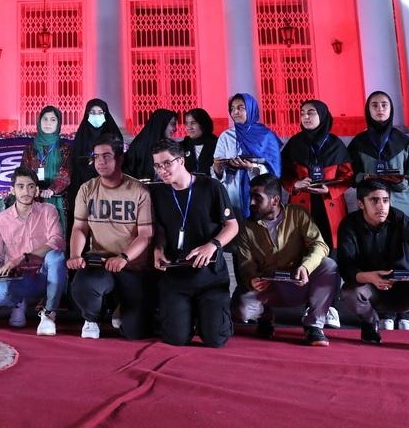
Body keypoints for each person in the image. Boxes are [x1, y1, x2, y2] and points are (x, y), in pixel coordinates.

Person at [338, 180, 409, 353]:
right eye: (374, 200)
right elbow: (346, 268)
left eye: (385, 200)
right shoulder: (349, 225)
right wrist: (371, 277)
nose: (381, 206)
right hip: (372, 292)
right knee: (349, 292)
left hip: (405, 290)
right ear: (361, 204)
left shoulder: (397, 217)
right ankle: (370, 323)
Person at [233, 173, 339, 346]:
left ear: (275, 201)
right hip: (268, 288)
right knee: (242, 310)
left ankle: (314, 326)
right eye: (250, 197)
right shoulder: (246, 227)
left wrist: (306, 267)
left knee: (329, 265)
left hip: (298, 284)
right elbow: (246, 263)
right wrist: (252, 279)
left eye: (257, 198)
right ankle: (265, 318)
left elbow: (320, 245)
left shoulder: (297, 214)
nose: (251, 203)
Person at [150, 140, 238, 348]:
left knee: (215, 339)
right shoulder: (158, 193)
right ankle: (188, 316)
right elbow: (160, 229)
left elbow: (232, 226)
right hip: (176, 276)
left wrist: (212, 245)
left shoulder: (211, 187)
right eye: (157, 166)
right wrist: (158, 249)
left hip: (209, 276)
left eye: (167, 163)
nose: (162, 170)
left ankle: (209, 316)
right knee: (176, 339)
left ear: (181, 160)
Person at [346, 90, 409, 331]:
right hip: (373, 209)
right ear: (368, 110)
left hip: (401, 206)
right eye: (375, 105)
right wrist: (366, 178)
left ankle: (408, 313)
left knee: (405, 259)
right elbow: (351, 175)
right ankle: (385, 310)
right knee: (378, 258)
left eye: (384, 105)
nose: (380, 109)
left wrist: (396, 182)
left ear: (391, 109)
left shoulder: (404, 141)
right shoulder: (359, 143)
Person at [66, 135, 153, 340]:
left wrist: (124, 257)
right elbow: (79, 228)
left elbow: (146, 235)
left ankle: (119, 305)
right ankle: (92, 318)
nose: (100, 162)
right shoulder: (87, 189)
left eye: (106, 156)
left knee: (135, 332)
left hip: (130, 264)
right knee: (82, 285)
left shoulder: (139, 191)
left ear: (120, 158)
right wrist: (75, 255)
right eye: (96, 157)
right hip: (99, 262)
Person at [0, 166, 67, 336]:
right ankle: (18, 303)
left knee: (56, 257)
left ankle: (49, 313)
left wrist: (21, 258)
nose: (26, 191)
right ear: (12, 190)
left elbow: (57, 241)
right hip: (18, 277)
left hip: (43, 275)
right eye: (20, 186)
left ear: (37, 190)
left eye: (30, 186)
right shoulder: (0, 220)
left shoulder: (48, 211)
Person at [280, 99, 353, 250]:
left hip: (329, 204)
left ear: (322, 115)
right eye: (302, 113)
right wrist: (295, 184)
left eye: (311, 113)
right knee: (301, 248)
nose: (305, 117)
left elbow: (348, 176)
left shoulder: (336, 145)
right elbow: (283, 173)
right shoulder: (294, 143)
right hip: (302, 201)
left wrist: (330, 190)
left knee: (331, 248)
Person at [212, 93, 281, 220]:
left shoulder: (266, 136)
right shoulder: (226, 136)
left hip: (260, 191)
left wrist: (252, 167)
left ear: (251, 108)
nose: (235, 112)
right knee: (235, 225)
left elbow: (275, 170)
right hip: (232, 191)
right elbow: (217, 172)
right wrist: (217, 169)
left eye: (241, 108)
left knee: (259, 226)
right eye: (232, 108)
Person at [20, 105, 72, 229]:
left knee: (56, 233)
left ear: (58, 123)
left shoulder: (64, 148)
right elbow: (24, 172)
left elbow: (66, 173)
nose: (48, 123)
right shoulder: (30, 148)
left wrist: (52, 189)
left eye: (53, 120)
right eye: (45, 119)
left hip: (57, 199)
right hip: (34, 198)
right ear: (39, 121)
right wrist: (32, 188)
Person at [67, 99, 123, 209]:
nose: (96, 116)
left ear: (105, 114)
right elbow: (76, 163)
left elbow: (119, 161)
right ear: (87, 114)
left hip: (110, 188)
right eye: (92, 112)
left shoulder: (114, 135)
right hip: (84, 186)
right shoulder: (81, 136)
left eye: (100, 112)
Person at [125, 108, 177, 180]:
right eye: (172, 124)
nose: (175, 129)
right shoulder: (139, 146)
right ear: (162, 124)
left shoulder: (169, 146)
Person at [181, 108, 218, 175]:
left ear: (203, 124)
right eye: (186, 123)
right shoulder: (184, 145)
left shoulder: (217, 144)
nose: (189, 127)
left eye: (193, 123)